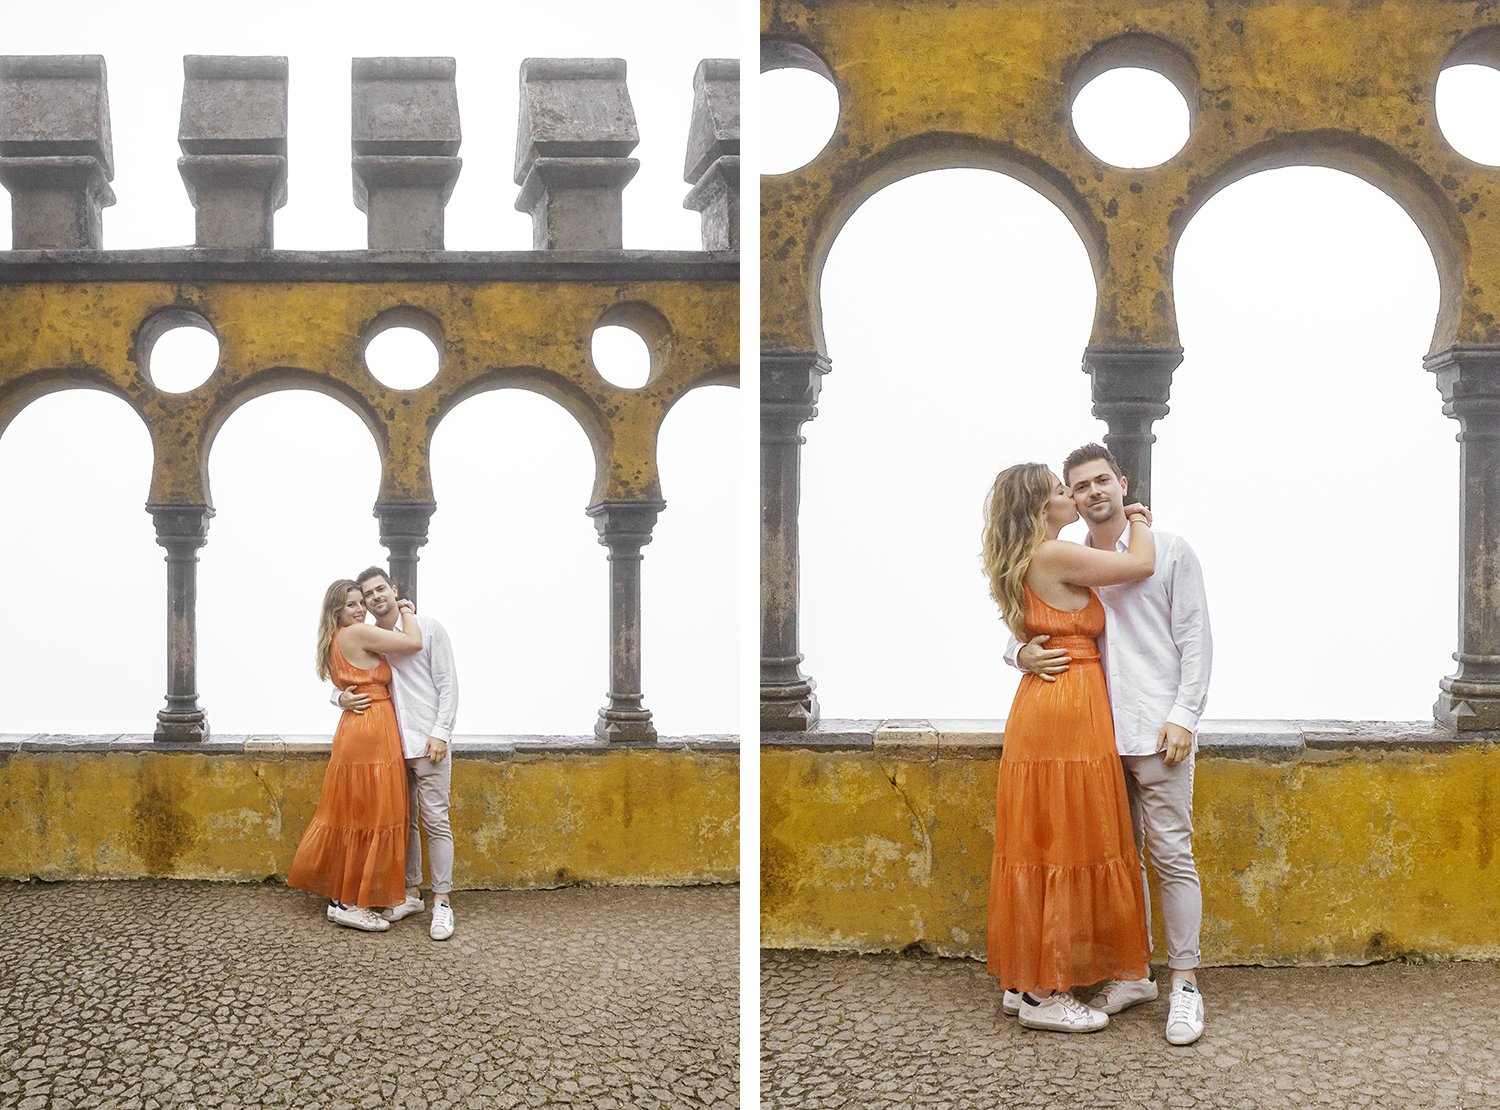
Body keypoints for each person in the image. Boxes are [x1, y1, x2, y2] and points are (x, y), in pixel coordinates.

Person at [1009, 443, 1211, 1046]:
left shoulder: (1169, 551)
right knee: (1113, 859)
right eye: (1079, 486)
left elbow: (1196, 639)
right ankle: (1132, 973)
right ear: (1069, 497)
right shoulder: (1068, 556)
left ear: (1122, 484)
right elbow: (1040, 624)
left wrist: (1185, 716)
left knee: (1170, 854)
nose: (1092, 492)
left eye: (1102, 481)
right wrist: (1017, 652)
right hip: (1093, 734)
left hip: (1155, 729)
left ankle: (1185, 985)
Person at [981, 462, 1155, 1033]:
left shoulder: (1030, 558)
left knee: (1042, 838)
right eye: (1062, 492)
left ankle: (1026, 980)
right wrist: (1138, 516)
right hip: (1066, 711)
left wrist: (1019, 653)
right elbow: (1140, 564)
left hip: (1045, 703)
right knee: (1062, 840)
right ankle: (1042, 995)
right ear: (1039, 507)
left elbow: (1030, 632)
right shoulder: (1053, 554)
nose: (1073, 498)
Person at [289, 580, 423, 932]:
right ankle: (349, 902)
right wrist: (407, 610)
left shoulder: (336, 638)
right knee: (370, 813)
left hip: (356, 727)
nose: (360, 609)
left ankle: (341, 900)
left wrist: (339, 698)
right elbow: (413, 642)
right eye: (351, 605)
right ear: (338, 611)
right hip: (371, 731)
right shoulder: (357, 633)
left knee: (353, 811)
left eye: (361, 602)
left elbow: (345, 685)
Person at [337, 566, 460, 942]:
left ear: (394, 589)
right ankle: (411, 893)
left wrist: (441, 733)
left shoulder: (429, 627)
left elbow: (448, 684)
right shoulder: (375, 638)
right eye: (366, 595)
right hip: (391, 744)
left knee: (436, 820)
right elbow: (354, 674)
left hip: (427, 742)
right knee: (403, 822)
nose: (374, 598)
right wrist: (337, 697)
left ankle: (442, 901)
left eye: (379, 590)